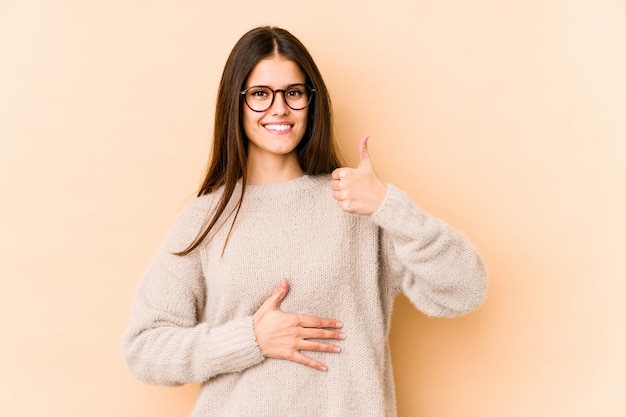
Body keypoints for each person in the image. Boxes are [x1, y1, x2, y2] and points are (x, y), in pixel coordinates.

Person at [122, 26, 487, 417]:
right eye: (260, 94)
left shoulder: (356, 205)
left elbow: (464, 290)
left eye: (293, 93)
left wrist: (387, 205)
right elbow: (144, 350)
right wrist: (252, 339)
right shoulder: (203, 220)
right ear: (236, 103)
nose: (279, 108)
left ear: (311, 102)